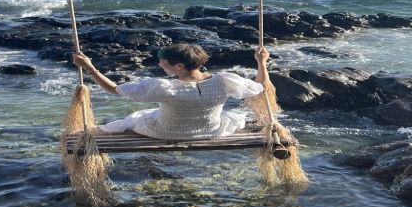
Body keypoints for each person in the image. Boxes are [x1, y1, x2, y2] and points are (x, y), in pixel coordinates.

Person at [71, 44, 270, 140]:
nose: (159, 64)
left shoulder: (167, 89)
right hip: (211, 131)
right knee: (232, 116)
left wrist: (89, 67)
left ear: (179, 66)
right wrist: (261, 63)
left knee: (136, 118)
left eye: (163, 62)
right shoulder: (224, 81)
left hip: (166, 132)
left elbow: (114, 89)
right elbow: (260, 86)